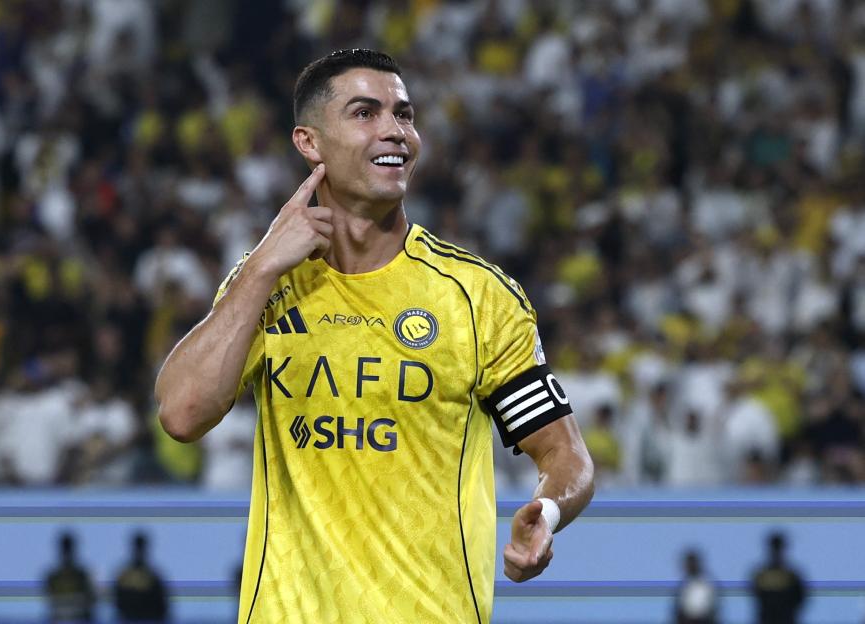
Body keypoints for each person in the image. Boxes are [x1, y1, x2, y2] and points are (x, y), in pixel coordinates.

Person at [156, 48, 594, 623]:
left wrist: (548, 510)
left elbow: (565, 453)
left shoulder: (477, 297)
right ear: (309, 142)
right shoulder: (265, 286)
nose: (395, 131)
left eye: (404, 114)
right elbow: (182, 415)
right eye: (365, 113)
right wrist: (262, 266)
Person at [750, 531, 807, 624]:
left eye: (778, 548)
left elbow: (800, 600)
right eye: (775, 548)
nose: (776, 552)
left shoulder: (792, 576)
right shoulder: (760, 576)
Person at [113, 531, 168, 623]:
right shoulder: (124, 576)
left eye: (141, 547)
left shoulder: (154, 576)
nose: (139, 551)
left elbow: (162, 607)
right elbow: (118, 603)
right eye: (138, 547)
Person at [44, 531, 95, 624]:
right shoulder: (53, 577)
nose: (67, 552)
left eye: (68, 548)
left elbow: (91, 602)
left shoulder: (82, 575)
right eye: (65, 549)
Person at [674, 549, 718, 624]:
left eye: (691, 564)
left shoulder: (706, 583)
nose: (688, 566)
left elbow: (712, 610)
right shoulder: (683, 585)